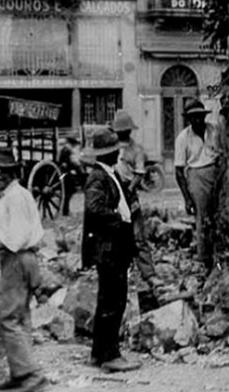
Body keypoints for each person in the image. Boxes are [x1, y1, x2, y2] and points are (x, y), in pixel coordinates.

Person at [0, 149, 48, 392]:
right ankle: (20, 372)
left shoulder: (14, 198)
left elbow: (14, 239)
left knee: (6, 317)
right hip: (24, 258)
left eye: (2, 172)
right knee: (18, 316)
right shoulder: (18, 195)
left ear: (12, 173)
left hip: (17, 258)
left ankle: (31, 374)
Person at [82, 128, 142, 373]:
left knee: (107, 300)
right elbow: (95, 208)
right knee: (114, 301)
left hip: (114, 246)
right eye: (114, 149)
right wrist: (119, 219)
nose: (118, 152)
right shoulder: (98, 177)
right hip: (109, 248)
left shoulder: (109, 174)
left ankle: (99, 352)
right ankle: (110, 354)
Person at [113, 110, 163, 311]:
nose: (123, 135)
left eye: (125, 132)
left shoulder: (136, 150)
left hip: (128, 193)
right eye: (120, 132)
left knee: (138, 236)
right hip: (113, 194)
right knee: (116, 237)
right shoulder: (112, 148)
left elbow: (139, 173)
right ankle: (120, 275)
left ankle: (149, 275)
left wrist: (129, 188)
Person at [174, 100, 222, 271]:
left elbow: (221, 152)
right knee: (202, 217)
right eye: (193, 118)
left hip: (215, 172)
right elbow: (179, 171)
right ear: (188, 119)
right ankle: (204, 258)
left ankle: (219, 252)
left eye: (200, 117)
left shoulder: (214, 130)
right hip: (196, 175)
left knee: (218, 214)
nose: (197, 121)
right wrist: (187, 198)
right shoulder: (183, 138)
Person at [56, 132, 84, 217]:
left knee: (66, 194)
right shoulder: (67, 150)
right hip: (66, 174)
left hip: (63, 173)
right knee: (68, 193)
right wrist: (79, 169)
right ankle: (65, 211)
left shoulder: (64, 149)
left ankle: (64, 210)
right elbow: (71, 162)